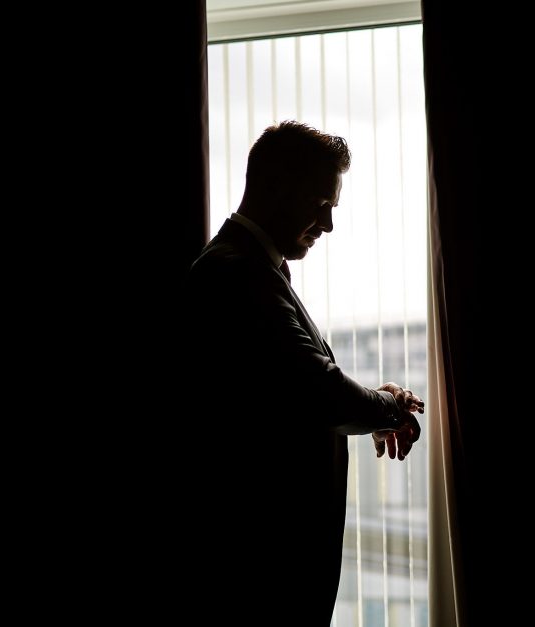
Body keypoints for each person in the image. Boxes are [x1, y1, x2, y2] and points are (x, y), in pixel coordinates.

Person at [186, 121, 424, 623]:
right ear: (276, 187)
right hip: (260, 572)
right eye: (322, 205)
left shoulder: (247, 268)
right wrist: (391, 407)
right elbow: (318, 390)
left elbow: (296, 387)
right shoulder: (237, 272)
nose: (329, 226)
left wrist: (374, 404)